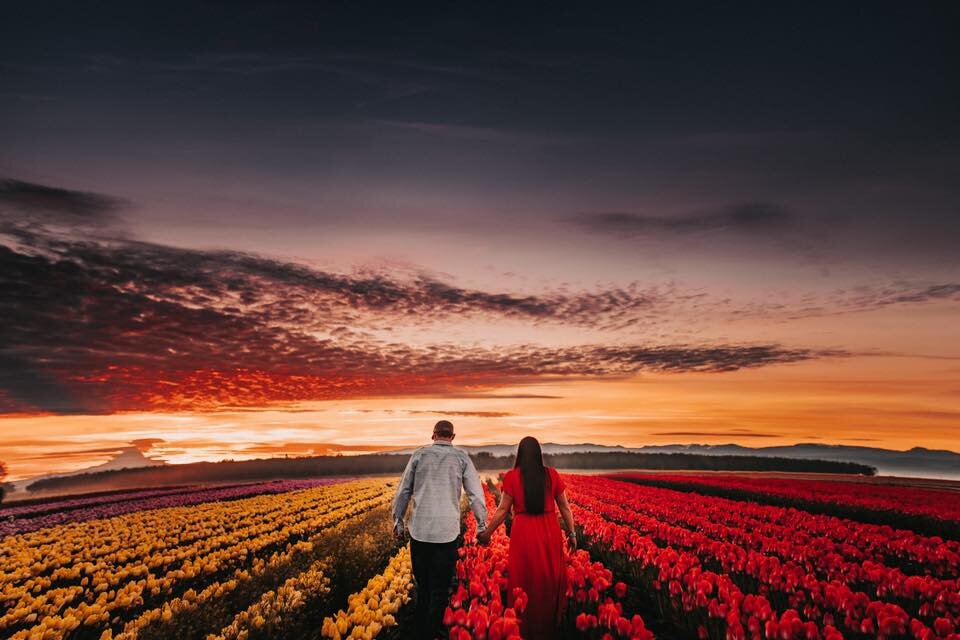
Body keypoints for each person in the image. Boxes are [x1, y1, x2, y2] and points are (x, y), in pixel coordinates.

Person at [392, 420, 488, 640]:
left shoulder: (419, 455)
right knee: (439, 590)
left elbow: (404, 491)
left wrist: (397, 521)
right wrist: (481, 525)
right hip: (446, 534)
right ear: (452, 437)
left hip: (420, 532)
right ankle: (431, 633)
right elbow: (475, 494)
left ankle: (419, 633)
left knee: (423, 588)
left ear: (433, 435)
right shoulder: (461, 457)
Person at [477, 436, 576, 640]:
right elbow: (565, 507)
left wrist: (487, 533)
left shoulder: (513, 477)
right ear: (539, 454)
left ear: (520, 454)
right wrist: (572, 533)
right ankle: (549, 630)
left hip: (524, 533)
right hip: (549, 531)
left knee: (525, 580)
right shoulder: (551, 475)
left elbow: (503, 510)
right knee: (547, 580)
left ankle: (521, 629)